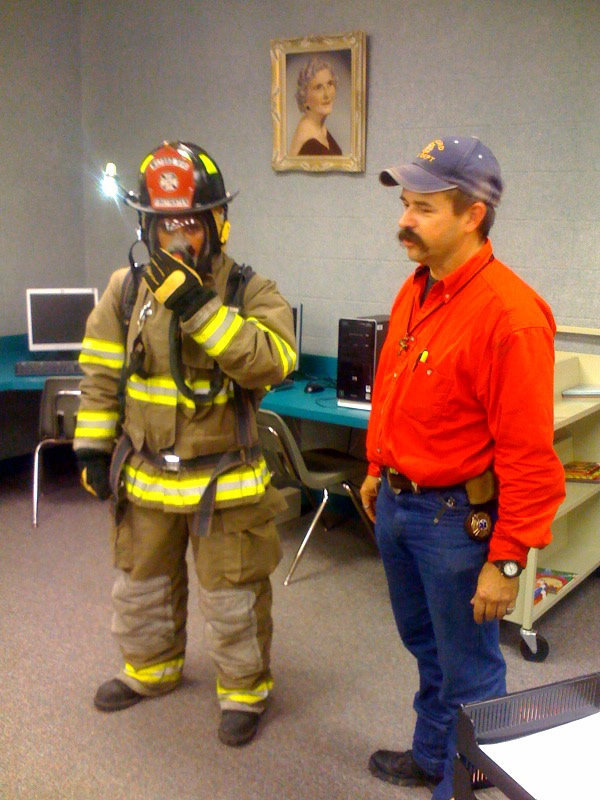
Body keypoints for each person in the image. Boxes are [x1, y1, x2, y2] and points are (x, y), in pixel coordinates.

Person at [359, 136, 565, 799]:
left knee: (472, 672)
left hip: (455, 521)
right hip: (396, 502)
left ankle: (463, 787)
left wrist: (508, 562)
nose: (404, 221)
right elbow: (392, 384)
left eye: (422, 208)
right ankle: (431, 756)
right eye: (405, 205)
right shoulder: (418, 288)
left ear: (472, 213)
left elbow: (530, 458)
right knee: (428, 648)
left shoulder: (511, 316)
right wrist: (374, 465)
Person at [74, 140, 296, 747]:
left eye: (190, 222)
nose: (177, 237)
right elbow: (99, 374)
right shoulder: (123, 292)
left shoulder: (250, 289)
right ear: (146, 224)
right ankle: (150, 673)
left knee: (233, 598)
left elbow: (273, 361)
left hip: (225, 486)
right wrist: (92, 447)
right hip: (144, 481)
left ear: (216, 222)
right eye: (164, 222)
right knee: (140, 587)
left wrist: (200, 308)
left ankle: (245, 692)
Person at [289, 56, 342, 157]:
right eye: (319, 87)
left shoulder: (320, 127)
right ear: (304, 97)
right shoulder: (309, 142)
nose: (327, 95)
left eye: (330, 84)